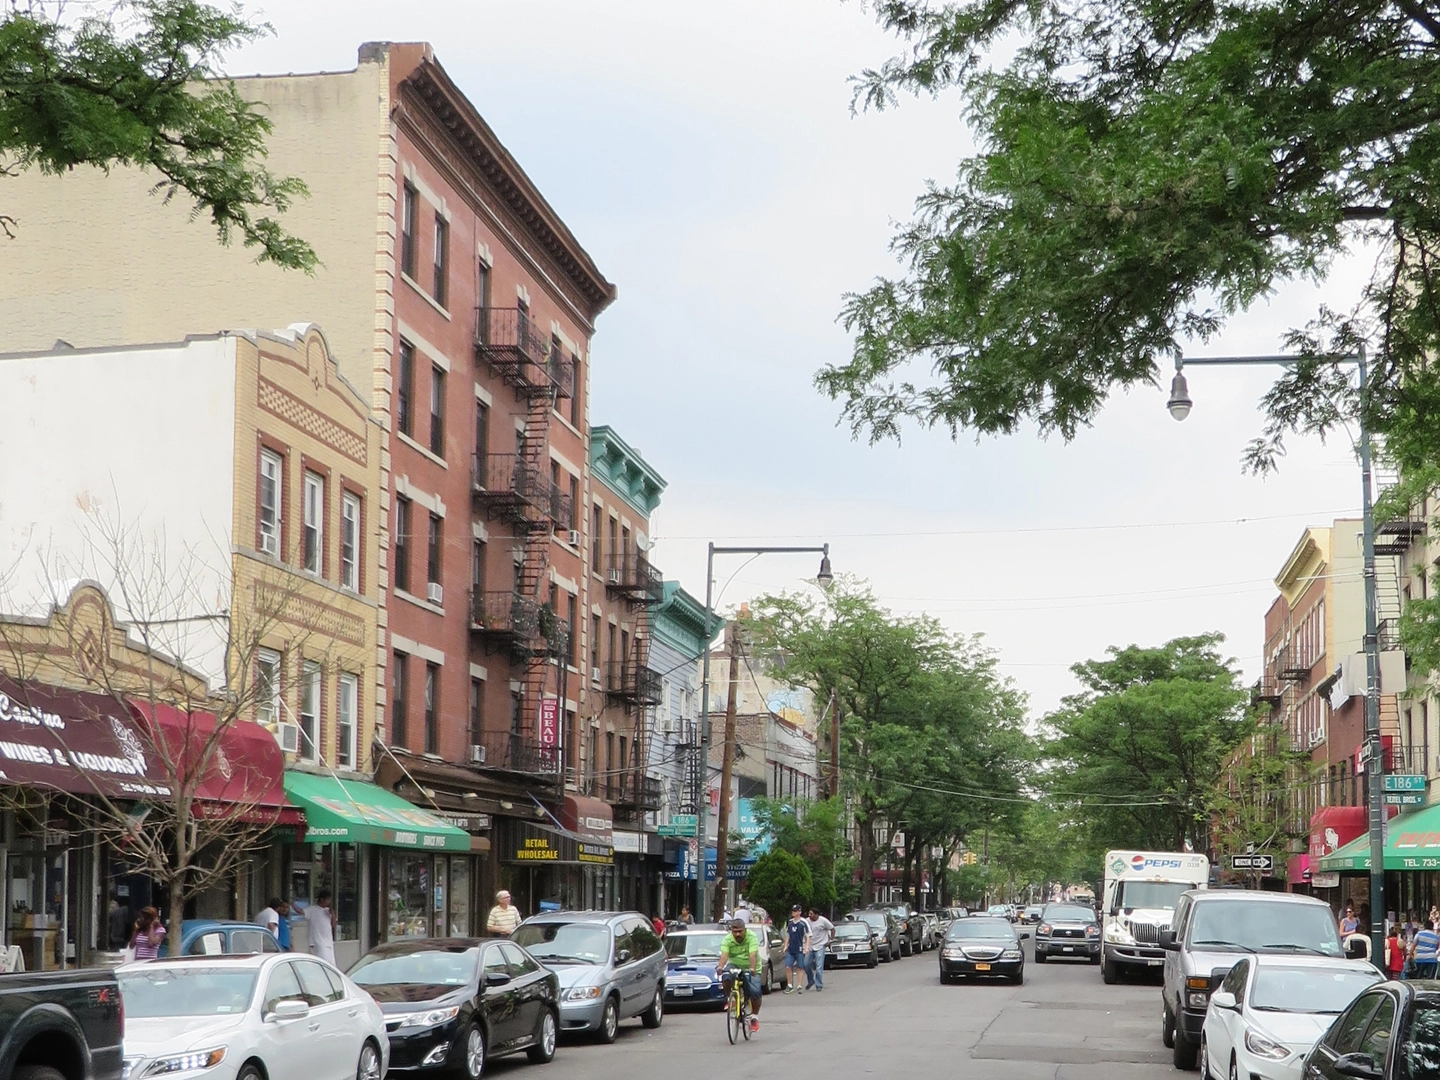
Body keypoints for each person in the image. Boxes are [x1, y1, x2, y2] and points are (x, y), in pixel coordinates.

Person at [716, 916, 764, 1036]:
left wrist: (752, 968)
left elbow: (752, 955)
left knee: (755, 992)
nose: (737, 934)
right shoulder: (727, 939)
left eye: (740, 931)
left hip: (750, 967)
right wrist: (720, 967)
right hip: (735, 965)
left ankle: (754, 1017)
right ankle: (730, 998)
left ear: (745, 930)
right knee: (726, 977)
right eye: (735, 931)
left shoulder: (751, 937)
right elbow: (724, 955)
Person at [783, 904, 810, 993]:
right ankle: (790, 985)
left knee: (800, 967)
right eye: (792, 911)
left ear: (799, 912)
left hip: (800, 948)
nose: (793, 912)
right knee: (788, 966)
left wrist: (807, 947)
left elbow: (808, 936)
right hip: (791, 948)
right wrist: (785, 946)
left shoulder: (803, 923)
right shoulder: (790, 923)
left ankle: (799, 985)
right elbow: (788, 935)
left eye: (795, 911)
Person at [806, 907, 834, 991]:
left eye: (811, 914)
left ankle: (819, 984)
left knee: (819, 966)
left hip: (821, 945)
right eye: (809, 914)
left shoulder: (823, 921)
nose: (809, 915)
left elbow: (832, 929)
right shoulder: (807, 921)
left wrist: (831, 940)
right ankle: (811, 980)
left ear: (816, 914)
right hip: (810, 946)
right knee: (806, 964)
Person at [306, 891, 337, 965]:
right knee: (323, 962)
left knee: (331, 963)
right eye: (328, 900)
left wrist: (332, 914)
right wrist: (293, 905)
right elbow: (301, 912)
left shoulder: (327, 911)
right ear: (322, 900)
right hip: (318, 942)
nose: (329, 902)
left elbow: (334, 925)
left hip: (328, 942)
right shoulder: (312, 909)